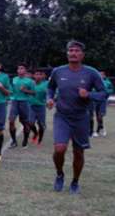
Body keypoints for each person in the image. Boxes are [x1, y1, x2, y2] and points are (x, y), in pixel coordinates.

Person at [48, 41, 106, 194]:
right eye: (70, 50)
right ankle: (59, 174)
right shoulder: (58, 71)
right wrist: (50, 98)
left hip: (81, 117)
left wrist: (89, 94)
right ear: (67, 53)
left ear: (82, 54)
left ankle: (75, 181)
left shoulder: (91, 73)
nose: (73, 53)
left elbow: (103, 93)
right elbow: (51, 87)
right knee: (59, 149)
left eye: (77, 51)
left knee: (78, 152)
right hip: (62, 116)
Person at [8, 63, 35, 149]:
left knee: (25, 122)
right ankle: (14, 141)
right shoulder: (14, 79)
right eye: (18, 69)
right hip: (15, 102)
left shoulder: (30, 81)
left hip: (25, 102)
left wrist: (25, 90)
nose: (20, 70)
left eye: (22, 68)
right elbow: (11, 90)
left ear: (25, 70)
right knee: (11, 121)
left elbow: (34, 93)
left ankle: (25, 140)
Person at [29, 69, 48, 145]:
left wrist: (49, 99)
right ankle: (35, 133)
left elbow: (50, 93)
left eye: (40, 74)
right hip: (31, 106)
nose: (38, 76)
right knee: (30, 123)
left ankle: (40, 139)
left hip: (41, 107)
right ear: (33, 76)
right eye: (36, 74)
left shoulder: (46, 84)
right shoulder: (30, 83)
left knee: (41, 125)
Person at [90, 71, 113, 137]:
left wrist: (105, 94)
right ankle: (92, 131)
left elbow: (111, 90)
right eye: (99, 74)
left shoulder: (107, 82)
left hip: (102, 101)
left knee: (100, 116)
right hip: (93, 101)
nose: (100, 76)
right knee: (91, 116)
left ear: (104, 75)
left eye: (102, 75)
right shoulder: (94, 81)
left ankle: (99, 130)